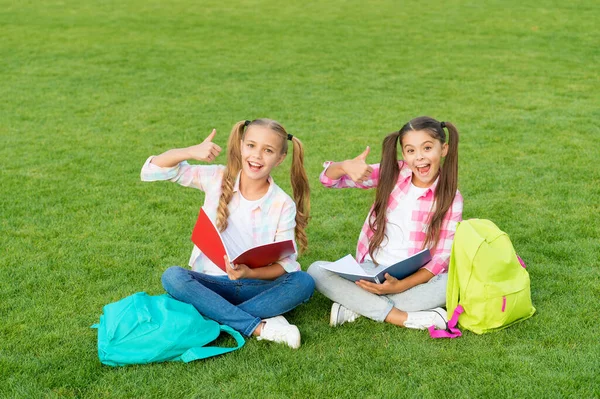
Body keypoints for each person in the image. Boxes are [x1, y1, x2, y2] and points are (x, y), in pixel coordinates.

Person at [141, 119, 314, 349]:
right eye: (251, 145)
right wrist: (191, 151)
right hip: (211, 284)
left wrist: (249, 272)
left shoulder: (283, 203)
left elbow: (285, 265)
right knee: (173, 276)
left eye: (268, 150)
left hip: (253, 285)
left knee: (303, 282)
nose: (257, 156)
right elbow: (152, 170)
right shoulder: (217, 177)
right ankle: (259, 326)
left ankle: (214, 315)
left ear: (280, 158)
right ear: (241, 146)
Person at [307, 116, 463, 331]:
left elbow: (441, 259)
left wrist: (400, 286)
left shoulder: (451, 197)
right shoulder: (393, 174)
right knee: (316, 271)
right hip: (371, 269)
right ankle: (402, 316)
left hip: (413, 277)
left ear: (443, 149)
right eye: (410, 150)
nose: (419, 157)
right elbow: (329, 180)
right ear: (403, 153)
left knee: (452, 283)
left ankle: (355, 307)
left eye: (427, 148)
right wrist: (343, 166)